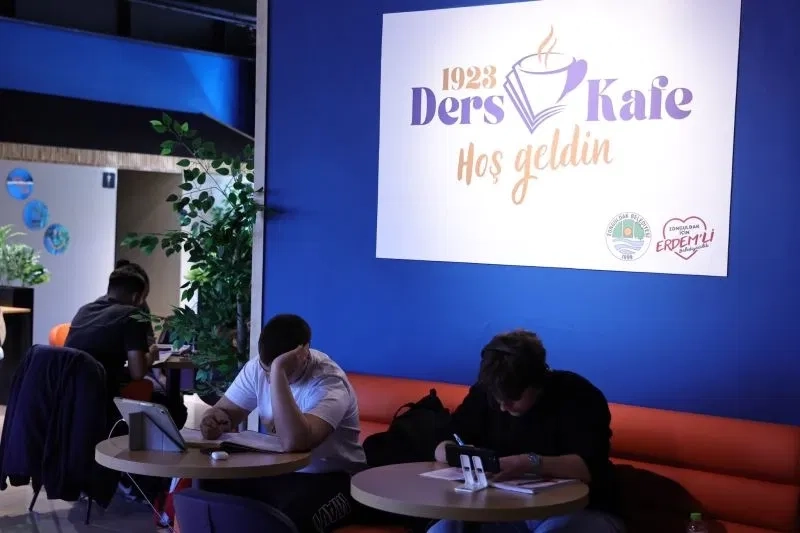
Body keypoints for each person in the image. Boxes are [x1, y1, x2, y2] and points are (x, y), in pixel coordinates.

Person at [429, 330, 625, 533]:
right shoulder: (486, 391)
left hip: (582, 509)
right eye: (497, 397)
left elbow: (590, 467)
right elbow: (445, 440)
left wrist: (528, 463)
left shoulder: (578, 396)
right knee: (442, 529)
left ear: (537, 381)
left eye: (513, 397)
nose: (503, 406)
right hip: (503, 510)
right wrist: (455, 453)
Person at [200, 314, 367, 533]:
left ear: (303, 354)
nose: (267, 377)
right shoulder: (257, 368)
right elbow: (226, 412)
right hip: (280, 473)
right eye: (266, 370)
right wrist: (212, 420)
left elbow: (295, 442)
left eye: (279, 369)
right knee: (208, 488)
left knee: (287, 520)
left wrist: (278, 372)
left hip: (335, 478)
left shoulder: (329, 382)